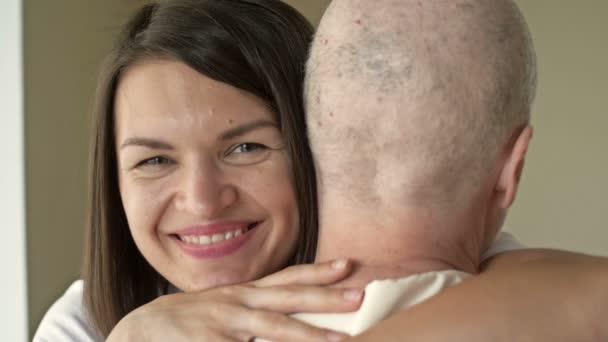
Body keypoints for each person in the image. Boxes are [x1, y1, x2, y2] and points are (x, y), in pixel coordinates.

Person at [34, 0, 607, 341]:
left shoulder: (471, 265)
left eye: (245, 148)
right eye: (155, 160)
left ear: (320, 140)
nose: (203, 201)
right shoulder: (83, 322)